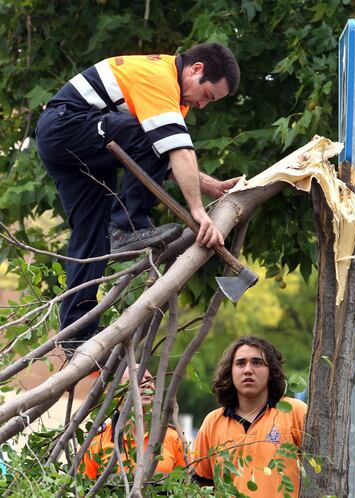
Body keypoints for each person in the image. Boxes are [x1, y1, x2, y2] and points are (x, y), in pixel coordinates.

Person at [35, 43, 240, 353]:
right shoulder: (158, 77)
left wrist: (209, 184)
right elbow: (170, 147)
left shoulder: (173, 92)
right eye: (208, 95)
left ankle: (76, 333)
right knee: (149, 134)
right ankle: (128, 225)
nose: (202, 106)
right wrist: (198, 211)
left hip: (75, 141)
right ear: (196, 69)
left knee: (92, 236)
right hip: (66, 126)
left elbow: (162, 155)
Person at [192, 336, 307, 497]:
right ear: (230, 372)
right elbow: (201, 483)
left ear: (271, 371)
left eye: (257, 362)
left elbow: (318, 476)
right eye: (240, 363)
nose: (247, 370)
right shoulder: (212, 422)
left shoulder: (295, 412)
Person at [82, 368, 186, 479]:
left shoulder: (175, 438)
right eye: (137, 379)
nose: (147, 384)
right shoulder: (96, 441)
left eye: (150, 379)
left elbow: (186, 487)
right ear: (118, 393)